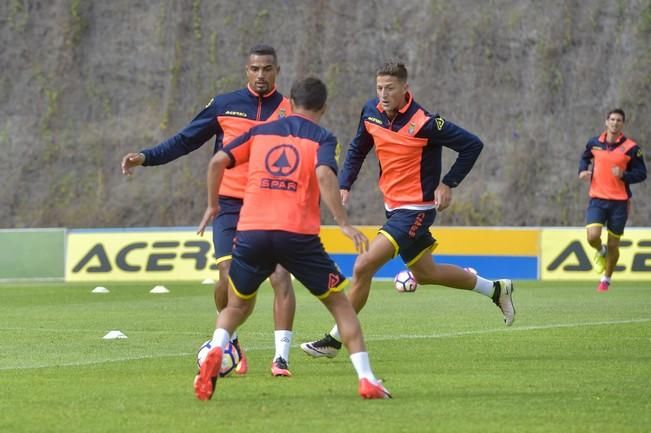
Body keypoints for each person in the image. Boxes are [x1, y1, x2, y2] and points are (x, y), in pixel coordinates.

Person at [193, 77, 391, 401]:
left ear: (290, 103)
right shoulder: (323, 138)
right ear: (323, 108)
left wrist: (214, 204)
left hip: (252, 231)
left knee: (237, 304)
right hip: (297, 234)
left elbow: (217, 161)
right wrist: (342, 223)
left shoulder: (259, 132)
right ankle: (367, 379)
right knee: (341, 306)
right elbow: (325, 174)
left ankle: (217, 347)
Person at [300, 62, 515, 359]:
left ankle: (335, 340)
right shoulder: (370, 111)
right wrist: (345, 183)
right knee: (427, 273)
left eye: (390, 88)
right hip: (393, 208)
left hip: (416, 210)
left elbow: (472, 145)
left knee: (363, 266)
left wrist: (448, 183)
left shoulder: (425, 122)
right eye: (379, 88)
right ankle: (495, 289)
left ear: (404, 88)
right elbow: (358, 149)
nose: (383, 94)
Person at [120, 44, 296, 376]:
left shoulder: (289, 110)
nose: (261, 75)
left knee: (279, 276)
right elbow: (185, 140)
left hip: (271, 204)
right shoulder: (225, 105)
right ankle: (233, 343)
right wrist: (145, 157)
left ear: (277, 71)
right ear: (247, 71)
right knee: (228, 277)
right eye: (255, 69)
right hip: (229, 204)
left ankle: (281, 358)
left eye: (267, 69)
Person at [578, 108, 647, 292]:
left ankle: (606, 280)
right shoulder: (594, 143)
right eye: (612, 119)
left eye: (619, 120)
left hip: (620, 202)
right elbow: (584, 158)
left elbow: (642, 174)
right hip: (597, 199)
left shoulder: (632, 148)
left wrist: (624, 175)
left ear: (623, 124)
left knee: (614, 244)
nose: (615, 123)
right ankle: (601, 252)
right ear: (606, 122)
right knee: (592, 236)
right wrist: (583, 170)